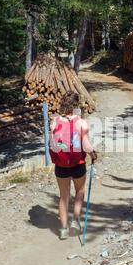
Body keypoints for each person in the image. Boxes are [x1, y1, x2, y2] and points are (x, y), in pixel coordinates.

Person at [49, 91, 97, 240]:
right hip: (78, 164)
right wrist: (93, 155)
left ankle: (63, 230)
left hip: (61, 164)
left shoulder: (55, 122)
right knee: (80, 191)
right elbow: (87, 146)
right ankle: (75, 221)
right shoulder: (81, 122)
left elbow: (51, 143)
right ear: (76, 105)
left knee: (63, 197)